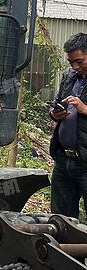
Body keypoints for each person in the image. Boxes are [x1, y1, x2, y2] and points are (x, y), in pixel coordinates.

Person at [49, 33, 87, 218]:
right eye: (71, 62)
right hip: (64, 160)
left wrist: (84, 108)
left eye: (79, 61)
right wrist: (55, 113)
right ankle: (64, 247)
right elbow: (55, 102)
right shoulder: (70, 76)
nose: (74, 66)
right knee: (61, 219)